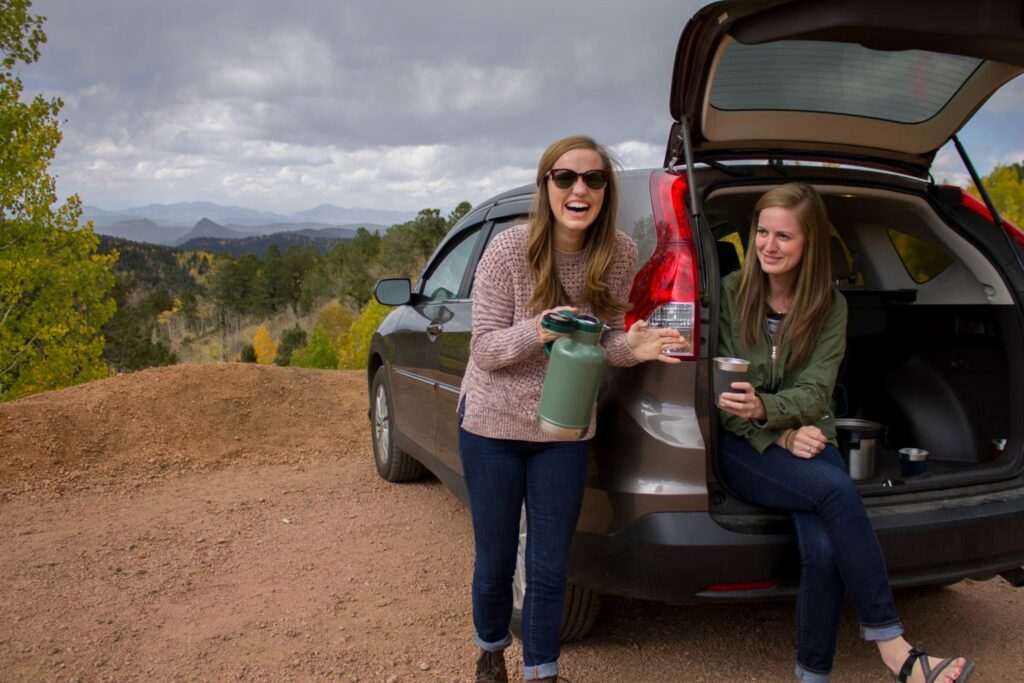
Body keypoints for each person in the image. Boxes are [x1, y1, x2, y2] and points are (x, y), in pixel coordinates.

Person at [716, 182, 976, 683]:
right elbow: (724, 400)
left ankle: (813, 674)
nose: (768, 246)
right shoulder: (728, 295)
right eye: (762, 232)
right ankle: (896, 651)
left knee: (825, 547)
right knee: (836, 493)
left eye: (784, 237)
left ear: (810, 243)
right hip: (744, 444)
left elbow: (817, 391)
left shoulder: (830, 306)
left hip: (812, 435)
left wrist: (777, 414)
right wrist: (779, 432)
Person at [457, 135, 685, 683]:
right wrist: (537, 329)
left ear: (605, 190)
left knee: (550, 564)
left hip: (564, 427)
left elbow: (601, 343)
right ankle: (491, 651)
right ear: (547, 186)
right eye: (566, 178)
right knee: (494, 561)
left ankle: (543, 670)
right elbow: (485, 349)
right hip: (492, 423)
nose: (579, 188)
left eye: (593, 179)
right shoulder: (510, 249)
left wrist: (635, 346)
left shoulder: (620, 255)